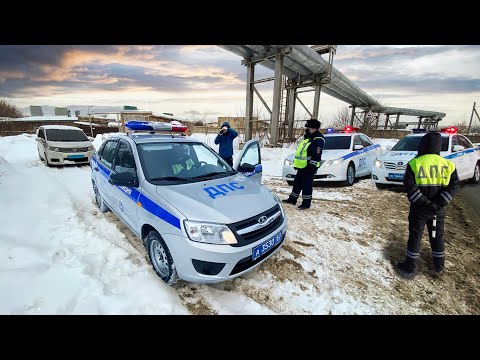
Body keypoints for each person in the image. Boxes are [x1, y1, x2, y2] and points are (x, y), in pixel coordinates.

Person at [398, 131, 460, 276]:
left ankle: (410, 266)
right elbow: (454, 186)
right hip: (438, 210)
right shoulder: (448, 165)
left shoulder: (414, 163)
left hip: (419, 209)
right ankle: (439, 266)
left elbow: (409, 186)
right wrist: (440, 202)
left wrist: (424, 203)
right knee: (437, 236)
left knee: (415, 235)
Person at [282, 119, 325, 210]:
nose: (307, 129)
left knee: (306, 185)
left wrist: (311, 166)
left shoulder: (318, 139)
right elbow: (302, 153)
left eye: (309, 128)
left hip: (310, 167)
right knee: (297, 183)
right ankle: (293, 199)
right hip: (302, 166)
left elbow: (316, 155)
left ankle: (306, 203)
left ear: (314, 128)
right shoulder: (308, 137)